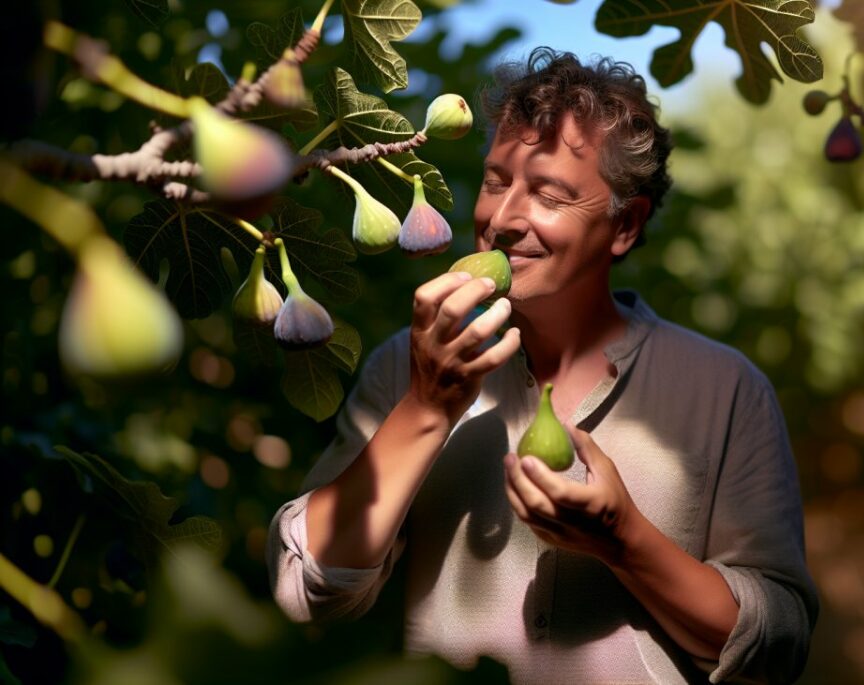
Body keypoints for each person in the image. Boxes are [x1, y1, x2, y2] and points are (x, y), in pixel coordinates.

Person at [268, 48, 819, 684]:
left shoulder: (727, 389)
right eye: (497, 181)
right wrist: (424, 407)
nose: (500, 220)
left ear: (624, 226)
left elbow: (779, 648)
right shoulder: (410, 363)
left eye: (549, 194)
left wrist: (624, 542)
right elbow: (301, 596)